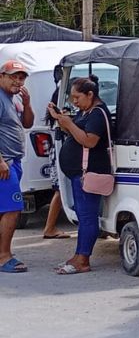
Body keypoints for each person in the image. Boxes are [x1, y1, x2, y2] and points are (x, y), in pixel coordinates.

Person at [50, 76, 114, 275]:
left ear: (90, 94)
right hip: (79, 173)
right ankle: (78, 255)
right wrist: (61, 119)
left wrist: (69, 124)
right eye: (72, 98)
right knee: (83, 215)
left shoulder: (97, 114)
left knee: (87, 217)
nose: (74, 101)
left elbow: (89, 141)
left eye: (77, 97)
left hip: (88, 173)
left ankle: (83, 259)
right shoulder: (87, 112)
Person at [0, 60, 33, 273]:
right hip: (5, 162)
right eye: (13, 76)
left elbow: (28, 124)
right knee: (13, 208)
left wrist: (28, 103)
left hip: (14, 162)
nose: (18, 81)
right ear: (1, 76)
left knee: (5, 209)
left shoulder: (15, 100)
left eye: (21, 77)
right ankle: (4, 256)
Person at [42, 87, 69, 240]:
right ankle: (49, 227)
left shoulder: (55, 116)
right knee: (60, 191)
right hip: (61, 153)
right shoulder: (60, 116)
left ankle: (50, 227)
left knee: (60, 191)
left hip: (59, 152)